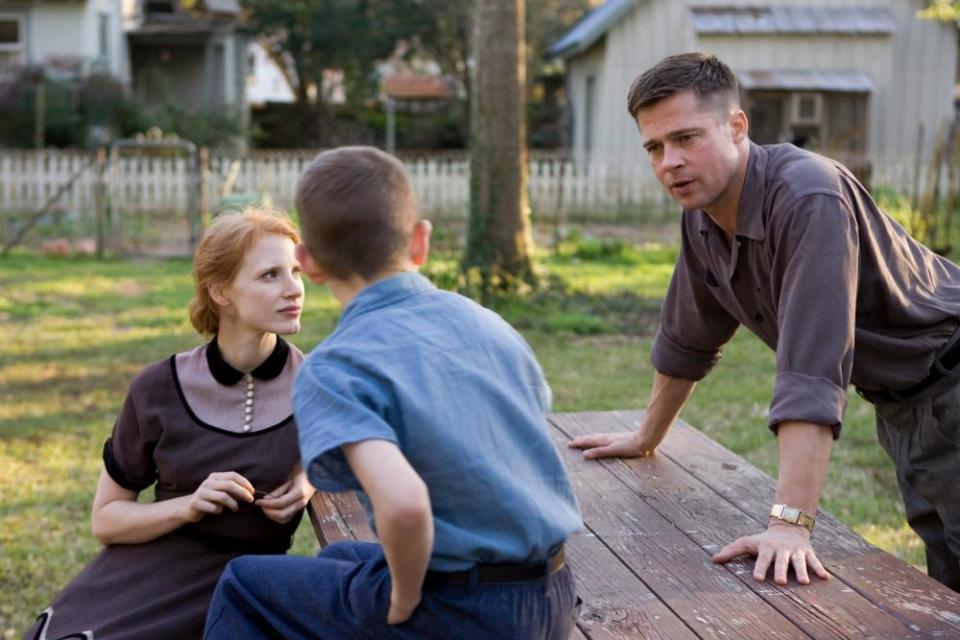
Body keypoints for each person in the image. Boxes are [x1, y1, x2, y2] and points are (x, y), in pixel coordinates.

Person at [570, 52, 960, 593]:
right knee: (947, 579)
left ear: (736, 126)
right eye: (654, 147)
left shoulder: (807, 196)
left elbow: (811, 370)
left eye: (687, 138)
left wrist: (789, 525)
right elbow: (688, 339)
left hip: (950, 381)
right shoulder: (703, 218)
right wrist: (647, 434)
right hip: (907, 401)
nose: (669, 162)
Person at [203, 146, 583, 639]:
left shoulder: (336, 367)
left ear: (308, 262)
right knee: (341, 557)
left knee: (243, 584)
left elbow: (404, 506)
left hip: (463, 612)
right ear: (421, 241)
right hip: (550, 592)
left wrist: (403, 598)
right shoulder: (489, 325)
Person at [25, 209, 315, 639]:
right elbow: (106, 519)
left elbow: (367, 466)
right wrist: (190, 504)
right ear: (221, 291)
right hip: (150, 570)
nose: (294, 289)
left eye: (295, 270)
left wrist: (310, 478)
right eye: (270, 275)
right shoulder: (157, 388)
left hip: (244, 585)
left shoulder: (318, 386)